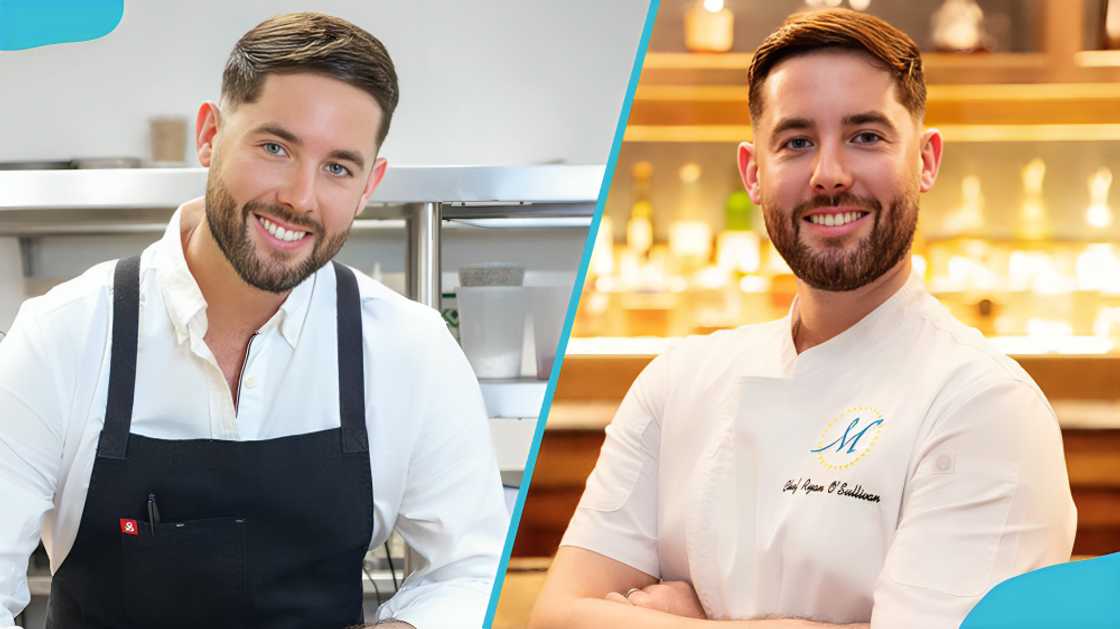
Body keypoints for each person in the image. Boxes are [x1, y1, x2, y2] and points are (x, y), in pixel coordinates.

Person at [529, 8, 1076, 629]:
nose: (829, 175)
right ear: (753, 173)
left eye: (866, 136)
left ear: (925, 160)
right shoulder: (677, 381)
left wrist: (703, 621)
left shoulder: (985, 406)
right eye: (797, 142)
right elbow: (556, 617)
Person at [0, 12, 507, 629]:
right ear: (209, 135)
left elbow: (472, 571)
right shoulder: (62, 337)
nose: (300, 197)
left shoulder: (410, 350)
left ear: (369, 184)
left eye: (338, 168)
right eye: (275, 148)